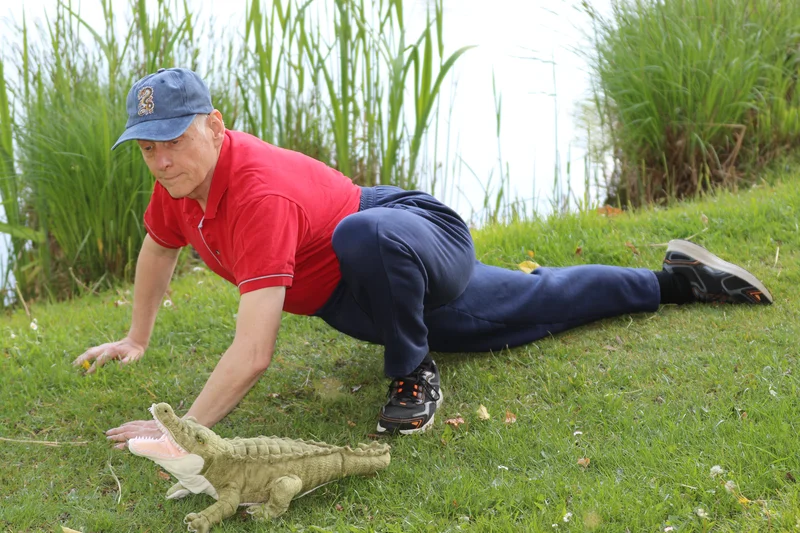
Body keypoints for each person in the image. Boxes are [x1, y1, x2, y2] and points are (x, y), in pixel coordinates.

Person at [75, 68, 772, 445]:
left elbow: (254, 350)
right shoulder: (179, 183)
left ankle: (413, 375)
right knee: (532, 307)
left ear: (216, 126)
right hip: (364, 289)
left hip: (404, 230)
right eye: (147, 144)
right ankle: (677, 278)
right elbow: (158, 247)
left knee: (361, 234)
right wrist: (138, 337)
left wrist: (183, 432)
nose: (161, 158)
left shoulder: (257, 193)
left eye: (175, 138)